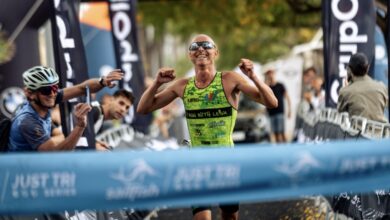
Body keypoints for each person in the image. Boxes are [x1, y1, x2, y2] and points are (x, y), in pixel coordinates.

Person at [137, 34, 277, 220]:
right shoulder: (182, 86)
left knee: (230, 217)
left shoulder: (229, 79)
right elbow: (143, 108)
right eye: (195, 46)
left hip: (227, 163)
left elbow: (272, 102)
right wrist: (156, 83)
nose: (201, 48)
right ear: (190, 55)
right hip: (197, 165)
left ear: (215, 52)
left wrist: (253, 77)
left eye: (206, 45)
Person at [8, 66, 123, 152]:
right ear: (30, 93)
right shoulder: (27, 121)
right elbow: (58, 153)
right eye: (47, 90)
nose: (53, 93)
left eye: (55, 87)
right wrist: (79, 127)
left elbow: (82, 88)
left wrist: (102, 82)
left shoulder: (44, 101)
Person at [337, 52, 388, 123]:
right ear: (368, 68)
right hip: (382, 132)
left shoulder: (345, 92)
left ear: (349, 70)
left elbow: (340, 114)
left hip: (358, 132)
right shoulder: (381, 87)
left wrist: (348, 86)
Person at [264, 69, 291, 143]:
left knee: (281, 132)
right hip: (271, 113)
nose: (270, 75)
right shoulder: (267, 87)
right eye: (268, 74)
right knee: (275, 133)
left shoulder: (280, 85)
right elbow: (263, 96)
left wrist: (289, 110)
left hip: (279, 112)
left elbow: (287, 97)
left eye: (271, 73)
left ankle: (286, 148)